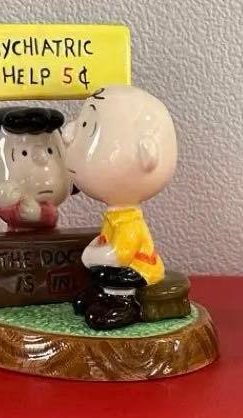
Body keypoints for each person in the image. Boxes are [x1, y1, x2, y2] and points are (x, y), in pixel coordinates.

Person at [60, 86, 177, 330]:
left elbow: (117, 256)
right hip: (120, 262)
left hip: (142, 270)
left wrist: (89, 255)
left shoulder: (129, 223)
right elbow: (105, 242)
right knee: (99, 272)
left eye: (86, 127)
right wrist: (93, 251)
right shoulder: (116, 216)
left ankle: (124, 304)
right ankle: (103, 294)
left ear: (145, 156)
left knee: (106, 272)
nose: (69, 133)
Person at [0, 106, 71, 231]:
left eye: (50, 151)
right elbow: (7, 214)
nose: (43, 161)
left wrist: (39, 215)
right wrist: (5, 202)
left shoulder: (49, 208)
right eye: (24, 153)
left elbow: (51, 216)